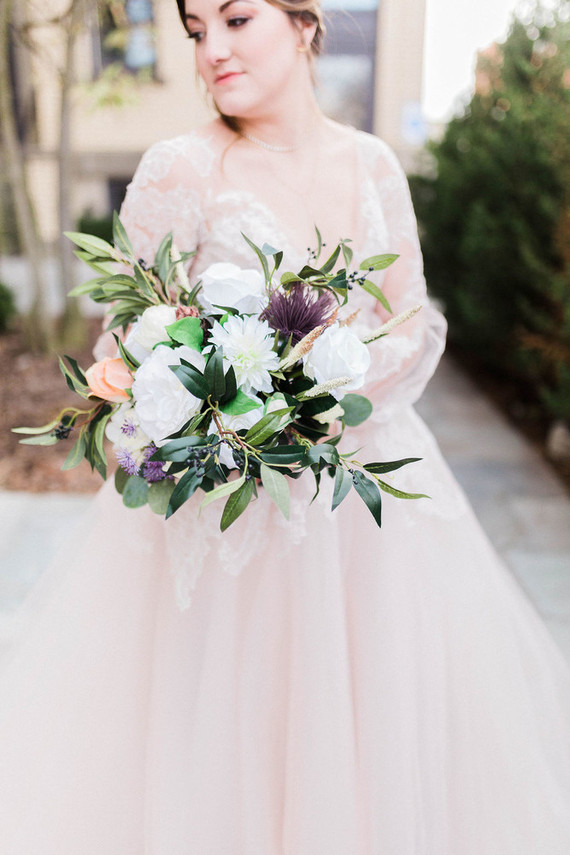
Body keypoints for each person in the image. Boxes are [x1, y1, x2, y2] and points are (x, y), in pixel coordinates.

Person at [1, 0, 570, 851]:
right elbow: (120, 357)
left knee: (374, 740)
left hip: (370, 521)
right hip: (234, 522)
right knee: (229, 747)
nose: (210, 52)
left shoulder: (374, 163)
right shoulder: (179, 170)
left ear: (304, 23)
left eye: (235, 20)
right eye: (195, 31)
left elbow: (410, 319)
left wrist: (316, 389)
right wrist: (213, 406)